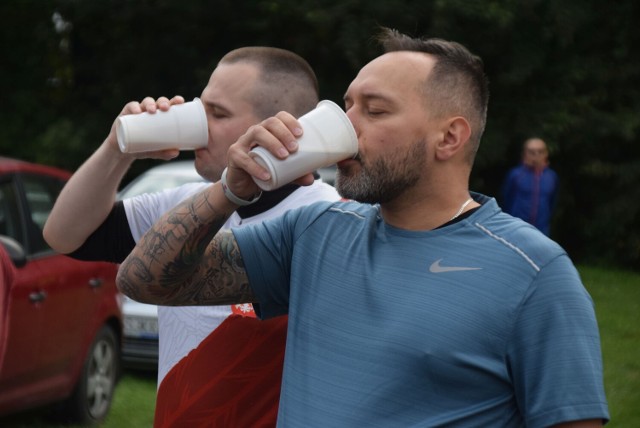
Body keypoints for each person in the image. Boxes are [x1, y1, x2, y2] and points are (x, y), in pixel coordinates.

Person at [117, 28, 609, 427]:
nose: (348, 127)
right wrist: (231, 187)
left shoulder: (534, 273)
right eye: (346, 107)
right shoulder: (314, 231)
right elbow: (143, 281)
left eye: (374, 111)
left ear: (450, 137)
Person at [43, 47, 340, 427]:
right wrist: (118, 148)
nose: (201, 123)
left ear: (278, 127)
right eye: (202, 107)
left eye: (218, 114)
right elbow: (66, 236)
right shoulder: (187, 203)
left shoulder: (327, 219)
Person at [502, 137, 559, 236]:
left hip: (541, 229)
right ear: (524, 154)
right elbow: (506, 199)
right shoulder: (516, 175)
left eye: (540, 152)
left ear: (546, 154)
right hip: (516, 228)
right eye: (532, 152)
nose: (536, 155)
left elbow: (552, 202)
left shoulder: (551, 176)